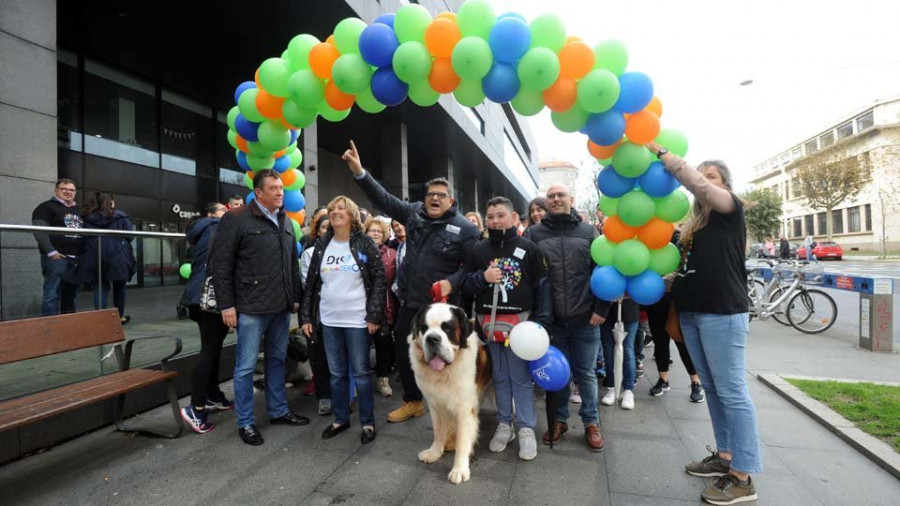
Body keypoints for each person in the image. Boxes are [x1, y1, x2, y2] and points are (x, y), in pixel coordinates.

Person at [648, 141, 761, 505]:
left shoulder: (730, 209)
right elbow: (686, 272)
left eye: (711, 177)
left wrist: (663, 153)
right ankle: (725, 457)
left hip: (723, 312)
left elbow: (695, 184)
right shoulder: (694, 228)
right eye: (703, 175)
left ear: (724, 185)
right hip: (694, 313)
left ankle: (742, 477)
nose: (703, 181)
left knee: (732, 392)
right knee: (713, 388)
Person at [341, 140, 480, 424]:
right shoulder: (414, 213)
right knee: (406, 353)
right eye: (431, 194)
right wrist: (360, 172)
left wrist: (452, 282)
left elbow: (472, 267)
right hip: (410, 301)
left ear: (451, 201)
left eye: (441, 195)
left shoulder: (465, 229)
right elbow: (384, 199)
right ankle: (413, 401)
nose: (435, 199)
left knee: (442, 359)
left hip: (441, 310)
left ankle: (450, 416)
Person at [211, 169, 309, 446]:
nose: (281, 192)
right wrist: (227, 305)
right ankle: (245, 422)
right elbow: (222, 265)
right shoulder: (235, 219)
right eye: (274, 188)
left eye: (281, 187)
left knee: (277, 361)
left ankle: (278, 411)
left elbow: (293, 263)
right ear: (259, 193)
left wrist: (295, 297)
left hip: (280, 307)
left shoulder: (286, 221)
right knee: (245, 368)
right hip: (250, 307)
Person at [461, 196, 550, 461]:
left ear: (513, 218)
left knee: (520, 379)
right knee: (498, 376)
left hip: (521, 326)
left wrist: (542, 323)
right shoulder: (478, 250)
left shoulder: (529, 248)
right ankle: (504, 424)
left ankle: (525, 428)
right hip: (488, 325)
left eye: (500, 215)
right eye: (490, 216)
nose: (495, 220)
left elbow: (542, 287)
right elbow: (466, 287)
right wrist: (482, 278)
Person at [524, 184, 606, 452]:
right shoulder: (534, 234)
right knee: (558, 375)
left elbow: (602, 272)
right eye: (551, 196)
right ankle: (558, 420)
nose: (556, 199)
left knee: (586, 374)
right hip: (551, 320)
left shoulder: (588, 232)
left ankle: (591, 422)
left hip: (585, 317)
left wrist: (601, 308)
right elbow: (528, 277)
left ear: (572, 199)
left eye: (561, 195)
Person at [301, 196, 386, 445]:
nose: (335, 212)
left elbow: (379, 280)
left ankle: (368, 422)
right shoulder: (321, 245)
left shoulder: (364, 243)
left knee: (360, 373)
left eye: (341, 208)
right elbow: (311, 285)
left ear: (351, 215)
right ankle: (340, 419)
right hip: (328, 320)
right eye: (332, 209)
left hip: (357, 320)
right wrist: (307, 317)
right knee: (336, 373)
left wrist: (374, 315)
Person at [179, 202, 234, 433]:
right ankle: (196, 407)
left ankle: (213, 395)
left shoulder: (200, 230)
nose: (228, 214)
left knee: (211, 347)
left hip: (195, 296)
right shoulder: (217, 228)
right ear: (211, 214)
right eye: (223, 211)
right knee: (209, 350)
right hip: (212, 297)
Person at [76, 193, 136, 323]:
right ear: (111, 203)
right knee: (119, 287)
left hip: (94, 254)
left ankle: (101, 319)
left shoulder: (86, 217)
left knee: (100, 287)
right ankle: (119, 317)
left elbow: (81, 237)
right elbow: (130, 236)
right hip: (118, 255)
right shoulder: (120, 216)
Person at [32, 178, 83, 315]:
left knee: (70, 295)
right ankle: (50, 329)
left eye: (71, 190)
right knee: (52, 294)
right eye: (64, 189)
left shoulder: (78, 209)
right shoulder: (45, 207)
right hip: (57, 258)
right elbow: (39, 230)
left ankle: (68, 326)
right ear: (56, 191)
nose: (68, 192)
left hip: (75, 259)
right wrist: (51, 252)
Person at [364, 217, 398, 397]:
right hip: (361, 308)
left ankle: (382, 379)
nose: (375, 233)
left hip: (386, 308)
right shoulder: (359, 252)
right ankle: (360, 381)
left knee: (383, 344)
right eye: (372, 230)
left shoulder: (392, 254)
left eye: (379, 231)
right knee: (362, 346)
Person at [597, 299, 639, 410]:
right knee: (608, 352)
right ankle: (611, 388)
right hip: (606, 312)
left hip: (629, 311)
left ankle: (628, 390)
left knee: (627, 351)